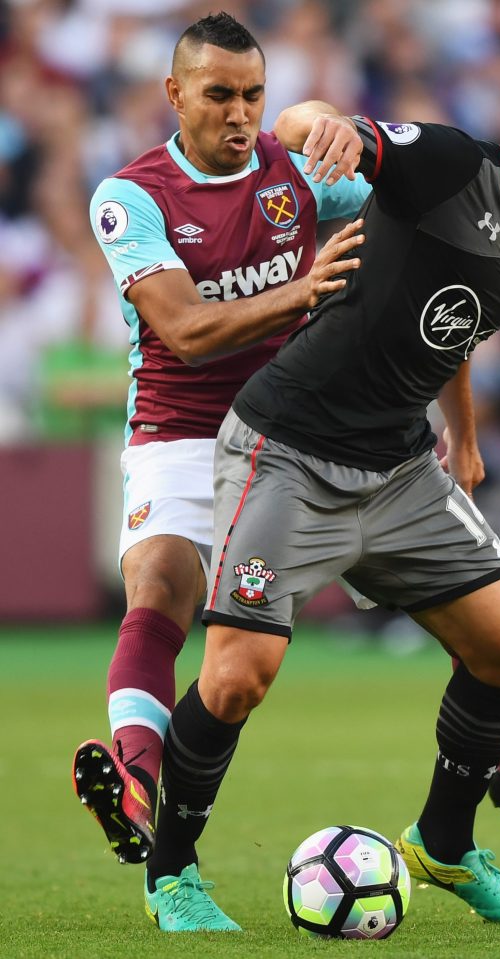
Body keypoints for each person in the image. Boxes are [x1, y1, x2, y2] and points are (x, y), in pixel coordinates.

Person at [142, 60, 500, 933]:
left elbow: (452, 328)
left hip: (400, 469)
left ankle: (443, 841)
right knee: (238, 676)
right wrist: (319, 124)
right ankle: (170, 870)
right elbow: (312, 126)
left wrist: (464, 434)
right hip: (288, 449)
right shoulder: (448, 166)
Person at [71, 12, 370, 867]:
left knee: (470, 615)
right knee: (161, 584)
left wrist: (355, 139)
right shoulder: (129, 196)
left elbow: (401, 203)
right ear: (174, 95)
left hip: (292, 435)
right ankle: (135, 785)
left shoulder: (298, 177)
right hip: (179, 429)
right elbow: (188, 331)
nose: (239, 114)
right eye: (217, 95)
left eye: (252, 96)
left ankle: (491, 796)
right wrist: (305, 291)